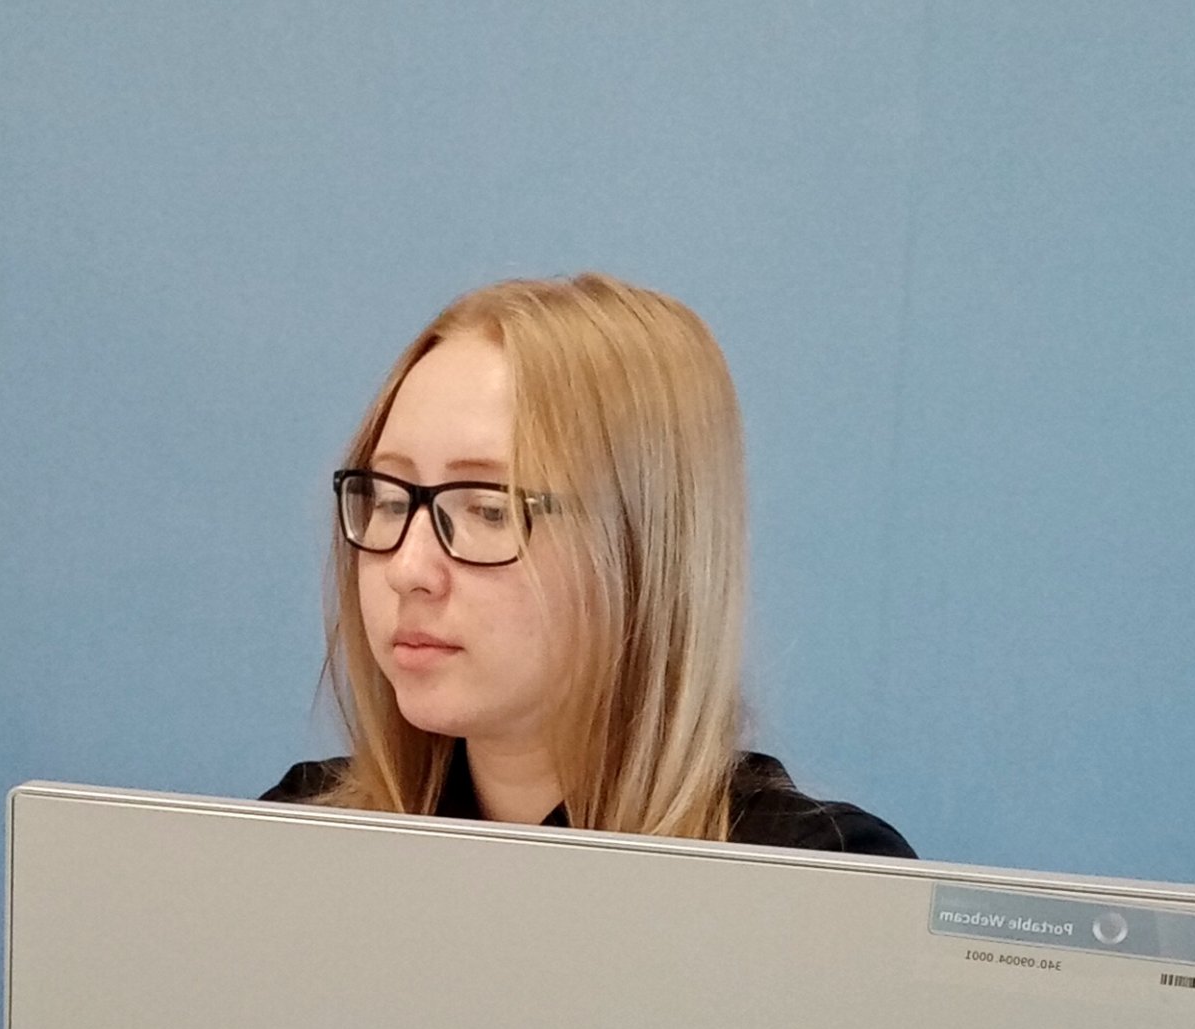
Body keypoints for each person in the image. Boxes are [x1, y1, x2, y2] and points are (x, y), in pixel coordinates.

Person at [266, 274, 910, 853]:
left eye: (489, 510)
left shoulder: (820, 885)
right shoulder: (295, 840)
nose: (408, 569)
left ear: (638, 548)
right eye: (387, 499)